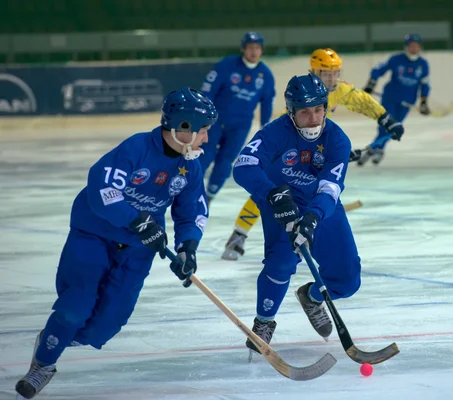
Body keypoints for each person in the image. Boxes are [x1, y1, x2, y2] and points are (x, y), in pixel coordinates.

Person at [14, 88, 217, 399]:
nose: (205, 138)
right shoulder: (136, 148)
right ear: (183, 128)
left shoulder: (190, 166)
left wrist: (187, 246)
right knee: (74, 309)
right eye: (202, 131)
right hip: (93, 235)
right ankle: (43, 363)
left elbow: (192, 209)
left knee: (106, 326)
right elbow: (101, 189)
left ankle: (55, 335)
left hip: (138, 248)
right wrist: (137, 220)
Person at [221, 47, 404, 261]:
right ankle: (239, 234)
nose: (333, 78)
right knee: (268, 193)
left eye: (336, 73)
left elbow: (361, 100)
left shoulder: (338, 90)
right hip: (286, 151)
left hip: (312, 148)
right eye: (327, 73)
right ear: (315, 72)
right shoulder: (300, 99)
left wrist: (386, 119)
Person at [232, 73, 364, 352]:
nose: (314, 118)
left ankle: (312, 296)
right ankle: (264, 322)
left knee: (348, 280)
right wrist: (273, 195)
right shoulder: (275, 132)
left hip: (320, 207)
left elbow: (330, 188)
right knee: (280, 263)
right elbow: (243, 167)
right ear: (291, 112)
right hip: (280, 204)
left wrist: (313, 217)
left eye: (319, 110)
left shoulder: (337, 140)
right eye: (305, 112)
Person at [200, 31, 276, 204]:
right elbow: (208, 89)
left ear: (262, 51)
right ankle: (191, 192)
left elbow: (267, 102)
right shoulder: (227, 65)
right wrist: (204, 115)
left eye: (257, 48)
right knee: (204, 155)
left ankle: (209, 196)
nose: (253, 52)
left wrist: (265, 127)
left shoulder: (266, 75)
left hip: (240, 126)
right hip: (215, 121)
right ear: (243, 49)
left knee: (226, 161)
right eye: (250, 48)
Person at [361, 33, 431, 165]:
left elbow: (425, 84)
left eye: (416, 46)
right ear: (406, 47)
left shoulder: (423, 64)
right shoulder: (396, 59)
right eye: (411, 46)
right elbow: (378, 70)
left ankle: (375, 149)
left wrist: (424, 102)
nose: (414, 49)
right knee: (384, 125)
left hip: (407, 102)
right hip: (390, 98)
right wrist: (371, 83)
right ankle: (377, 149)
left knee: (394, 128)